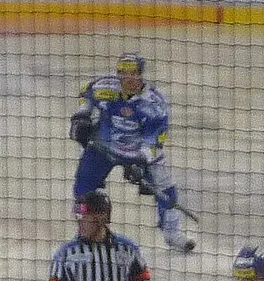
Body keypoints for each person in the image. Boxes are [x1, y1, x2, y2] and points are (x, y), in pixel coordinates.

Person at [69, 53, 196, 252]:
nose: (127, 78)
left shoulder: (155, 104)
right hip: (103, 147)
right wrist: (82, 116)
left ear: (141, 74)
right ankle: (86, 229)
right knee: (84, 185)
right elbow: (86, 95)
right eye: (123, 73)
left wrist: (138, 161)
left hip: (139, 152)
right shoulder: (105, 87)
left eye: (132, 73)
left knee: (165, 188)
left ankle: (173, 233)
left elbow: (155, 143)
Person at [47, 191, 151, 281]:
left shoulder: (128, 249)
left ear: (102, 217)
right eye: (78, 216)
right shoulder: (66, 255)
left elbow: (142, 280)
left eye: (85, 217)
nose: (80, 221)